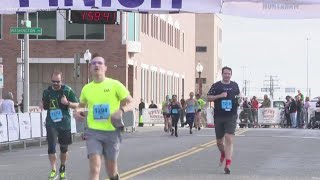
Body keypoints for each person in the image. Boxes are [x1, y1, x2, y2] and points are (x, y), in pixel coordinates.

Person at [72, 56, 133, 180]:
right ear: (90, 68)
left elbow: (131, 102)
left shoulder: (114, 84)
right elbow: (81, 106)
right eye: (94, 63)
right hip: (93, 132)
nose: (97, 65)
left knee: (111, 170)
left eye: (100, 63)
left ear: (105, 67)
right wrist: (76, 112)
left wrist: (121, 110)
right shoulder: (87, 88)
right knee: (95, 168)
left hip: (112, 132)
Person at [40, 72, 78, 180]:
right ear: (51, 80)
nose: (55, 83)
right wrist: (41, 104)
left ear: (62, 80)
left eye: (58, 81)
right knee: (51, 147)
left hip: (64, 123)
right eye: (53, 81)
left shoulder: (67, 90)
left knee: (63, 149)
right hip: (51, 123)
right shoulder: (47, 92)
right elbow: (43, 103)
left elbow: (77, 104)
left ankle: (62, 168)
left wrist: (67, 103)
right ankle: (53, 170)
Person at [207, 66, 240, 174]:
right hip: (219, 115)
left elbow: (239, 96)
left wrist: (239, 100)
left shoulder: (235, 85)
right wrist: (220, 96)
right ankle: (223, 153)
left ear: (231, 74)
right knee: (219, 142)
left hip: (231, 115)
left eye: (229, 73)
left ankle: (228, 164)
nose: (227, 75)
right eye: (225, 73)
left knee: (228, 138)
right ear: (222, 74)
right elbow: (208, 97)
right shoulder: (216, 85)